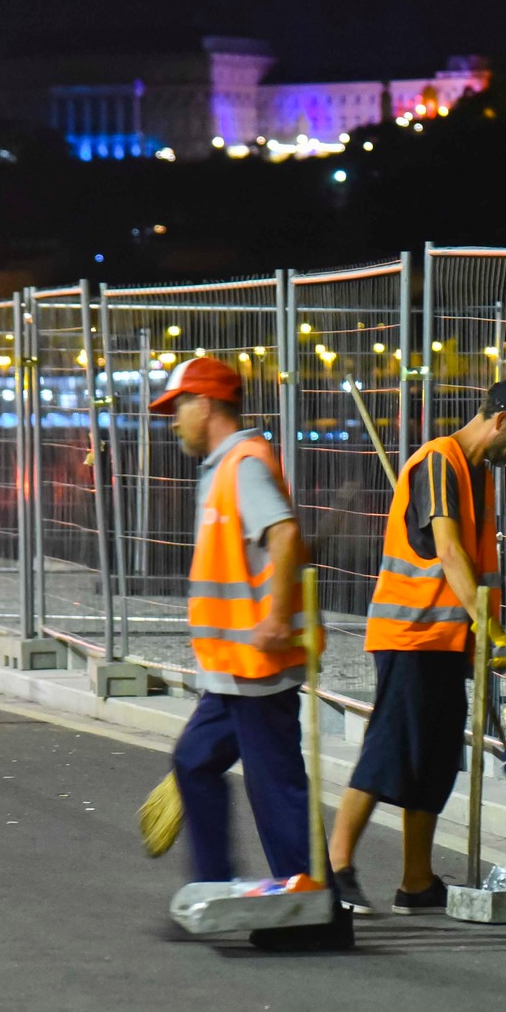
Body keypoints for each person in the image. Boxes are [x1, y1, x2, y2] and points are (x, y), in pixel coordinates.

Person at [328, 379, 506, 915]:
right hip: (412, 634)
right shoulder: (440, 462)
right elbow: (451, 553)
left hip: (448, 638)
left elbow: (471, 565)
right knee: (390, 753)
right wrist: (494, 628)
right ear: (500, 421)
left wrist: (479, 632)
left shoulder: (476, 474)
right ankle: (334, 869)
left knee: (433, 762)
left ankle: (416, 882)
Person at [155, 356, 348, 948]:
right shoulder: (221, 468)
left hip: (258, 666)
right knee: (194, 761)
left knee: (276, 788)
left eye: (178, 408)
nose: (173, 423)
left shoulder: (243, 465)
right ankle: (218, 891)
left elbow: (286, 535)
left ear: (205, 404)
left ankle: (317, 916)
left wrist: (271, 618)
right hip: (230, 670)